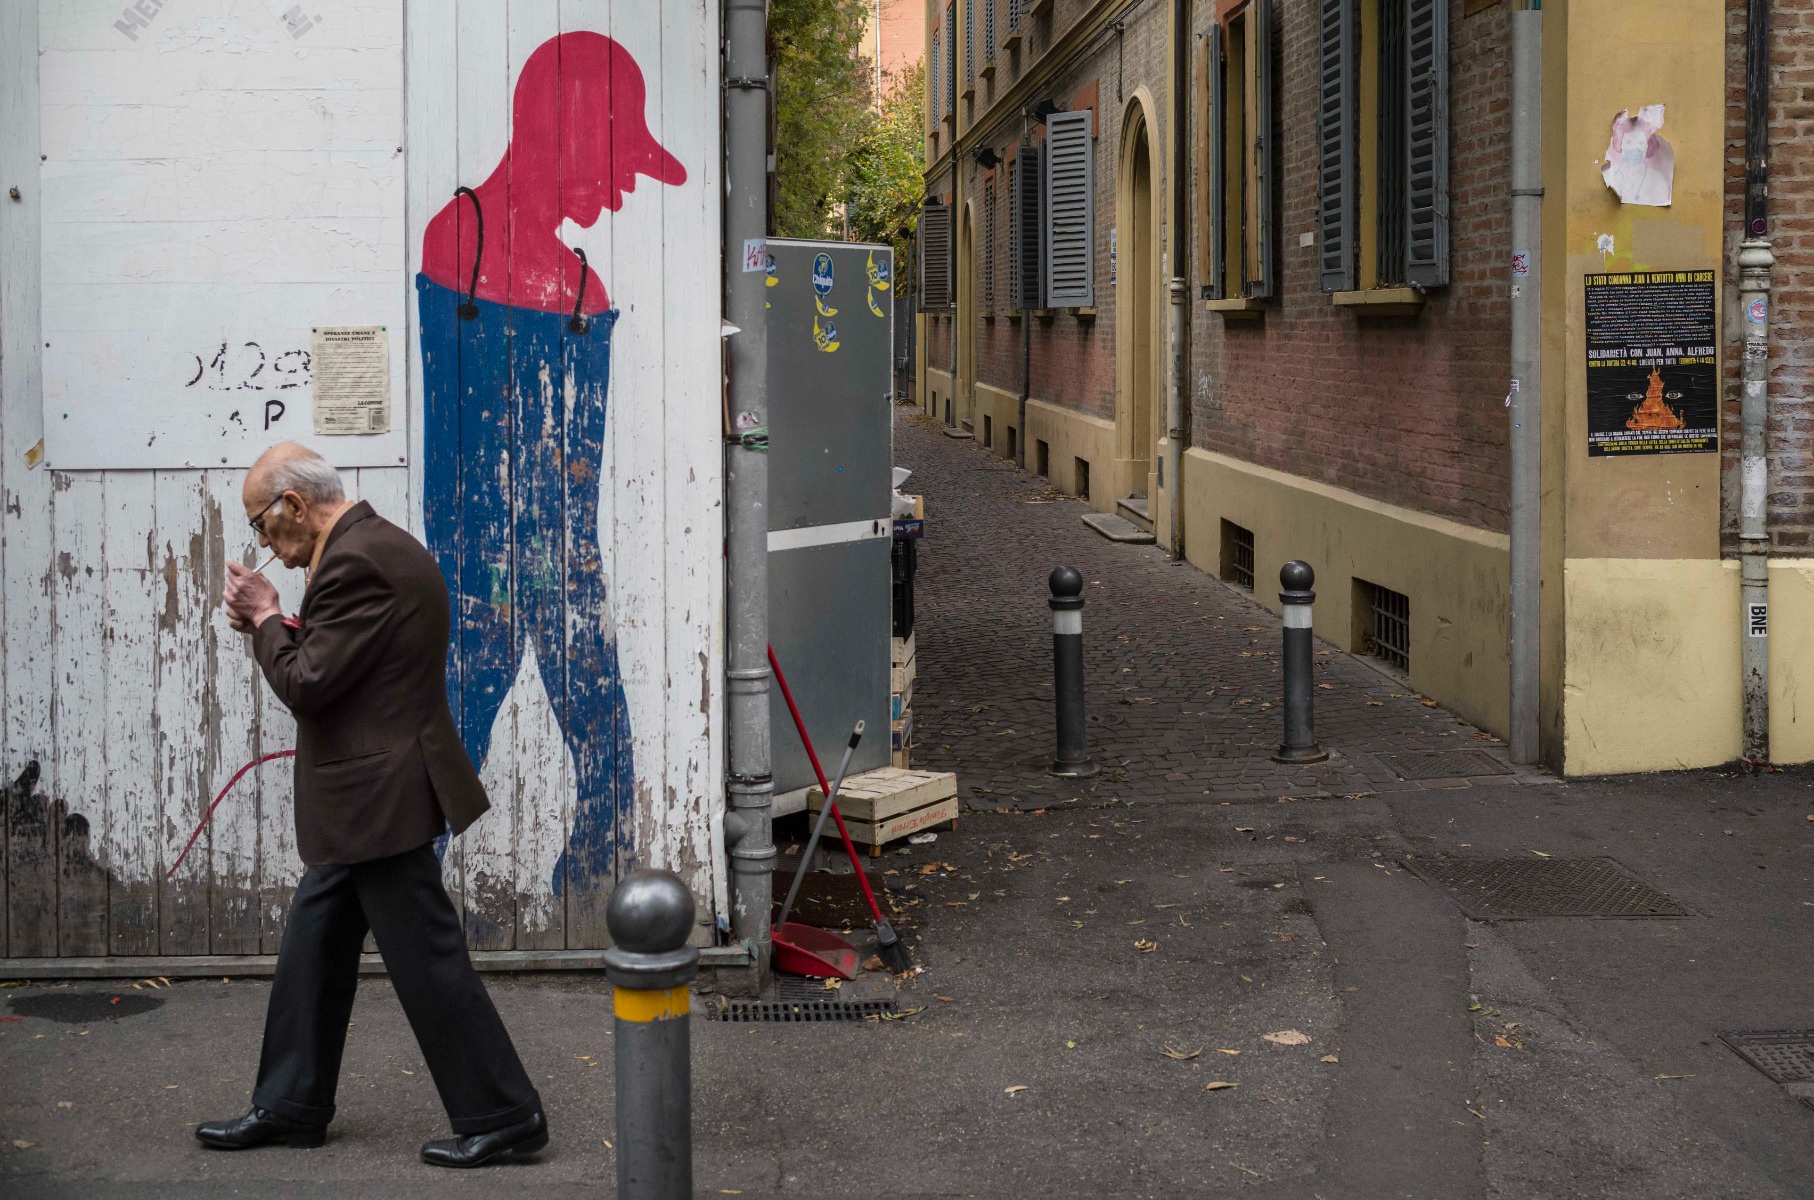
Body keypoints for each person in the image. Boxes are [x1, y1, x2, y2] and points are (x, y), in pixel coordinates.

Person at [201, 442, 547, 1168]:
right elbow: (349, 659)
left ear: (294, 506)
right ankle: (292, 1105)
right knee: (314, 943)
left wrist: (266, 618)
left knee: (427, 957)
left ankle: (505, 1114)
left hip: (376, 796)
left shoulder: (354, 561)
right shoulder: (376, 545)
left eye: (262, 526)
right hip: (371, 793)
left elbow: (307, 685)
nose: (263, 544)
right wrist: (278, 628)